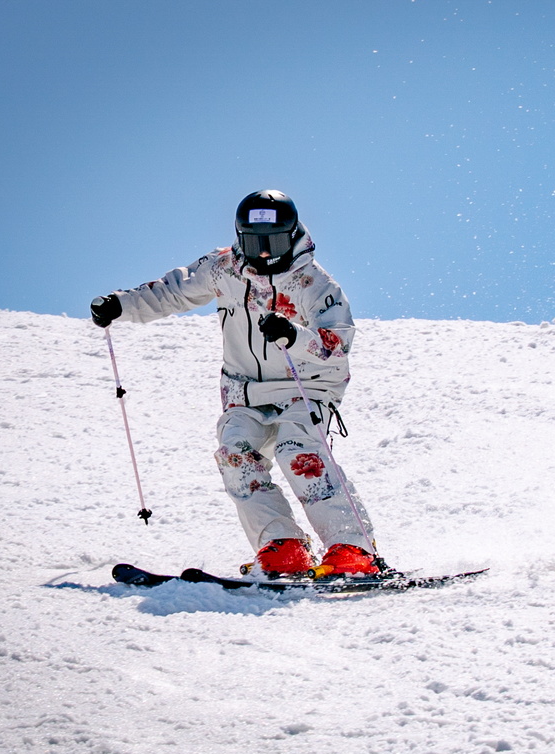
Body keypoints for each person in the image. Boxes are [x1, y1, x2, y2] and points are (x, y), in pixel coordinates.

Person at [90, 189, 380, 578]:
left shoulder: (314, 283)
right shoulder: (223, 268)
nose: (263, 254)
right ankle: (282, 546)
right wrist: (121, 305)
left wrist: (294, 336)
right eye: (254, 242)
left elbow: (338, 342)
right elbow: (172, 292)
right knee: (235, 454)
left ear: (293, 236)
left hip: (305, 385)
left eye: (274, 242)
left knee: (299, 453)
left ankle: (352, 548)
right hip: (243, 390)